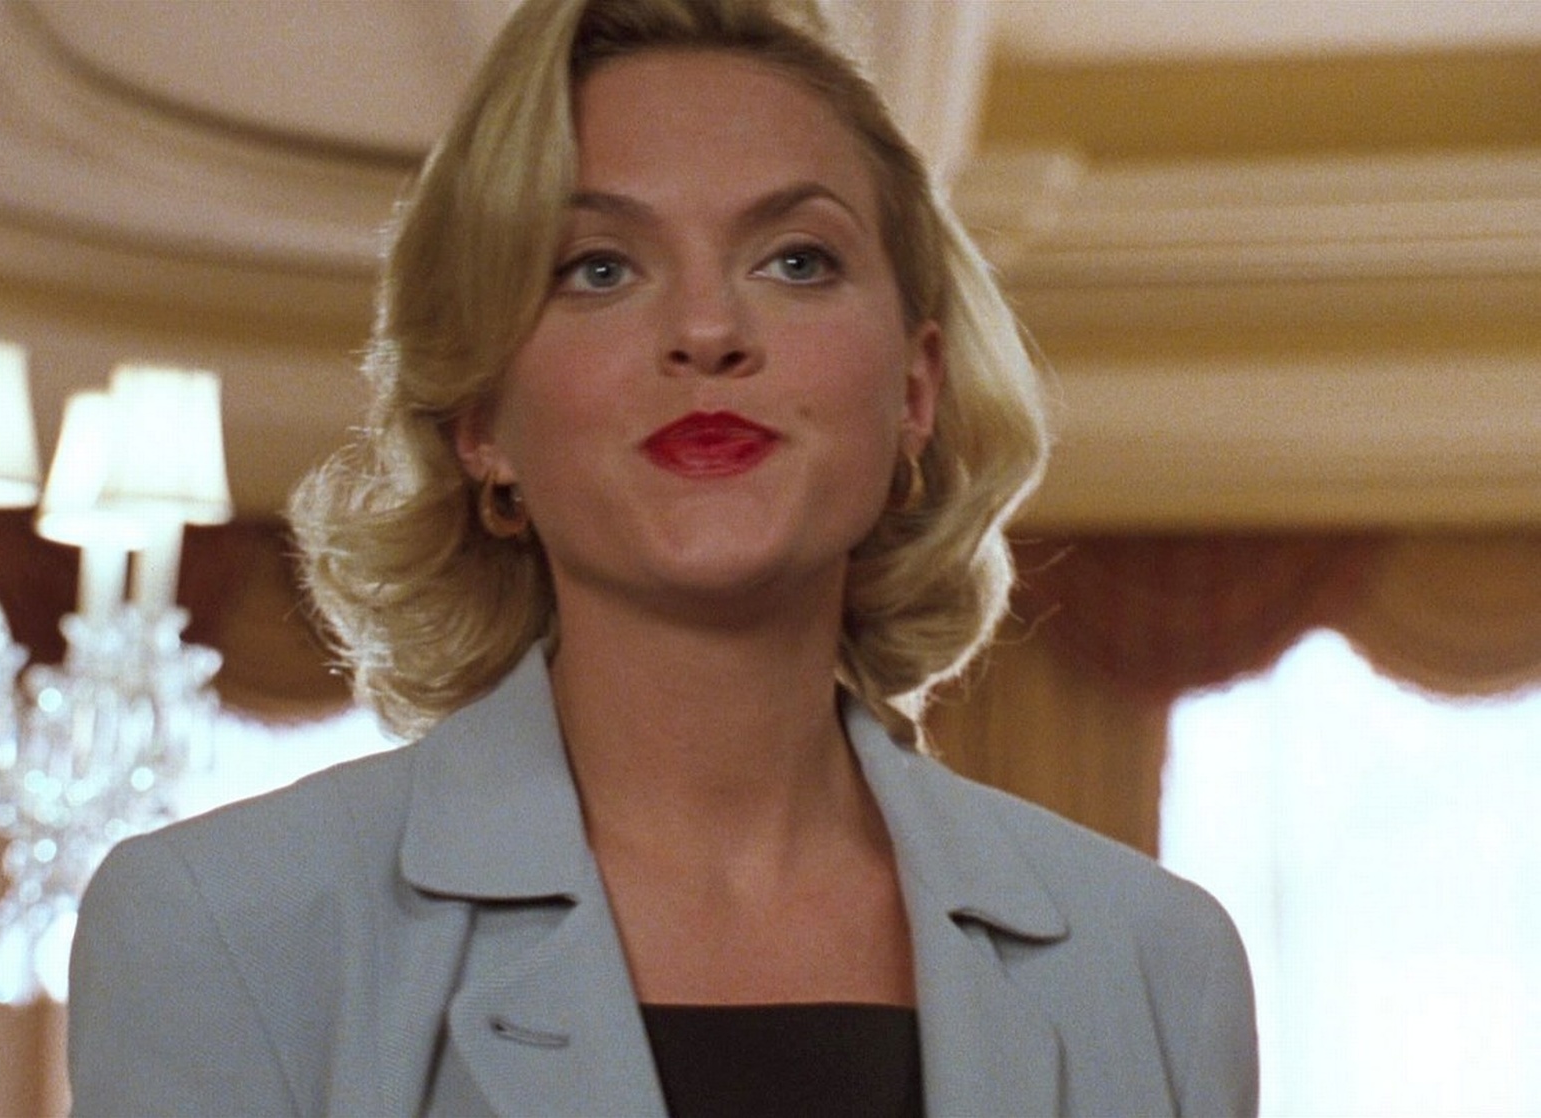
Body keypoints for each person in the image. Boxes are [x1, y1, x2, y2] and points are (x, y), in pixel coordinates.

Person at [68, 0, 1258, 1113]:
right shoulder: (222, 928)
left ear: (915, 388)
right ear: (481, 418)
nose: (707, 330)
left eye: (796, 260)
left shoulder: (1156, 963)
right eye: (599, 267)